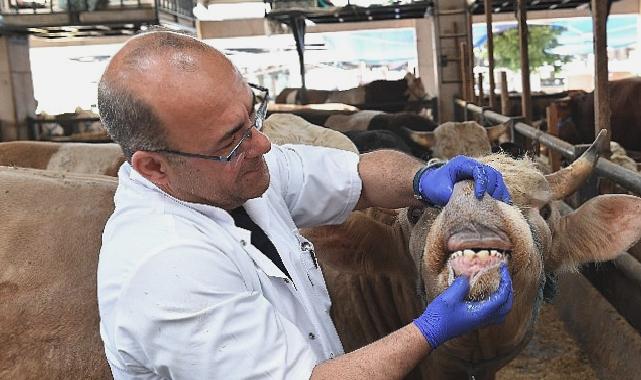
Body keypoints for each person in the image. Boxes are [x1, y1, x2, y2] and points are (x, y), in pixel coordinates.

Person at [96, 30, 513, 380]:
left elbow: (358, 175)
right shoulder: (168, 268)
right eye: (231, 140)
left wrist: (422, 178)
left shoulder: (234, 174)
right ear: (154, 167)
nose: (262, 143)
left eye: (252, 114)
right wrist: (431, 330)